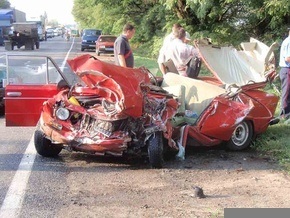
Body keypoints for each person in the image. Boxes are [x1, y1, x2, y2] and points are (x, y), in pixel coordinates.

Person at [278, 27, 290, 122]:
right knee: (286, 92)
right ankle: (283, 115)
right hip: (287, 70)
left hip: (286, 70)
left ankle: (287, 114)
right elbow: (287, 58)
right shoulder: (289, 42)